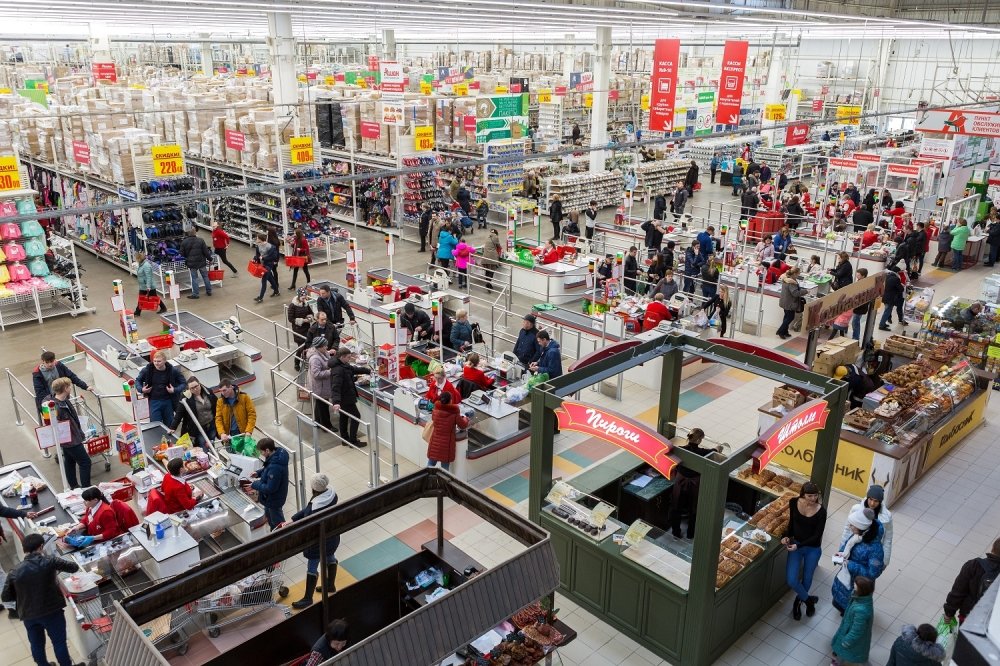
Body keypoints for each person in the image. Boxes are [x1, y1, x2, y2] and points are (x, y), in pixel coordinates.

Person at [1, 533, 82, 666]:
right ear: (41, 546)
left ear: (24, 549)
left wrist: (21, 603)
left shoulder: (14, 572)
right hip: (52, 612)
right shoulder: (49, 561)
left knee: (37, 645)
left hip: (29, 615)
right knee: (59, 643)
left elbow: (5, 596)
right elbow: (74, 567)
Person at [285, 474, 341, 609]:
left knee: (312, 567)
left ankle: (307, 598)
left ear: (314, 489)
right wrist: (293, 519)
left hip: (318, 543)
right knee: (330, 557)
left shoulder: (315, 507)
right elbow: (307, 509)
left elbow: (307, 515)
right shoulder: (331, 495)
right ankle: (330, 585)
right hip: (332, 537)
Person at [782, 481, 827, 620]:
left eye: (815, 496)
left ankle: (798, 602)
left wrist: (798, 546)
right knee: (791, 580)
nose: (813, 499)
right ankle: (808, 601)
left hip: (812, 548)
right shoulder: (793, 502)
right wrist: (785, 536)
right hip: (796, 544)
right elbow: (792, 523)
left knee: (807, 579)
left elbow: (817, 536)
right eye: (809, 496)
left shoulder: (821, 512)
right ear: (803, 495)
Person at [669, 428, 722, 539]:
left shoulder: (680, 450)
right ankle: (690, 534)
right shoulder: (702, 453)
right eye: (701, 439)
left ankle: (675, 532)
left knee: (676, 506)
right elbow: (714, 452)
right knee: (694, 509)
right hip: (695, 484)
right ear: (698, 440)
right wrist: (718, 448)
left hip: (680, 481)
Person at [831, 507, 885, 613]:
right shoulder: (858, 535)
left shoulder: (875, 549)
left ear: (860, 527)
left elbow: (873, 573)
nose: (850, 527)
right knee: (837, 603)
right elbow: (847, 545)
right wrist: (841, 553)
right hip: (845, 579)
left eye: (852, 525)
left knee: (848, 610)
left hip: (857, 586)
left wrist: (850, 565)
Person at [44, 378, 90, 489]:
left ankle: (74, 486)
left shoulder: (63, 400)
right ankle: (86, 487)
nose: (70, 388)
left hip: (68, 439)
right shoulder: (57, 407)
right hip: (71, 440)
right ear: (65, 388)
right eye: (69, 386)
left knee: (69, 461)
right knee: (85, 462)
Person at [943, 537, 1000, 624]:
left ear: (993, 548)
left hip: (969, 616)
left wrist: (949, 613)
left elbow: (958, 591)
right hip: (992, 623)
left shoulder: (974, 565)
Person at [839, 485, 893, 569]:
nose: (872, 503)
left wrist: (885, 561)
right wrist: (842, 549)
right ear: (867, 498)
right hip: (853, 549)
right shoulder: (856, 509)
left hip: (871, 554)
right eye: (870, 499)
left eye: (876, 501)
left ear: (880, 502)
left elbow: (888, 539)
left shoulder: (886, 517)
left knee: (865, 579)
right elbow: (847, 529)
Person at [831, 576, 875, 666]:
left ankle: (837, 662)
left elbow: (856, 631)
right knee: (844, 651)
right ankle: (837, 662)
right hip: (848, 631)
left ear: (861, 590)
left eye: (856, 585)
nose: (853, 585)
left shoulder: (861, 610)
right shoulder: (862, 598)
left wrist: (847, 641)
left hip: (852, 638)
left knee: (858, 656)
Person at [330, 347, 369, 448]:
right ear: (342, 357)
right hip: (345, 398)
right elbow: (336, 387)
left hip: (345, 396)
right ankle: (353, 441)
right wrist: (336, 402)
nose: (349, 359)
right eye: (348, 357)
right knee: (356, 416)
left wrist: (367, 371)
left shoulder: (343, 364)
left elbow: (354, 369)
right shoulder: (338, 370)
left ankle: (345, 439)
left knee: (344, 417)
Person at [33, 350, 91, 417]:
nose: (50, 364)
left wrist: (85, 386)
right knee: (52, 422)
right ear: (43, 362)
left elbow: (71, 376)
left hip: (63, 399)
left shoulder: (59, 366)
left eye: (51, 361)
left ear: (54, 360)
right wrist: (50, 404)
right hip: (48, 403)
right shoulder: (37, 374)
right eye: (47, 362)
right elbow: (39, 392)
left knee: (70, 418)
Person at [136, 351, 186, 426]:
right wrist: (141, 389)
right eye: (154, 361)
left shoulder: (172, 371)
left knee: (170, 424)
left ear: (165, 361)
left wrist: (174, 390)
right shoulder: (147, 370)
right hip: (153, 401)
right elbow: (137, 380)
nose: (156, 363)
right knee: (155, 424)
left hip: (168, 401)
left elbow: (184, 383)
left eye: (159, 361)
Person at [249, 437, 289, 529]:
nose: (261, 454)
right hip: (270, 499)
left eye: (261, 451)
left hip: (274, 499)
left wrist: (255, 484)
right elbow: (267, 468)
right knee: (270, 518)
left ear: (267, 450)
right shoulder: (275, 457)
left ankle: (281, 537)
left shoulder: (276, 467)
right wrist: (258, 473)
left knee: (278, 524)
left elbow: (270, 488)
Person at [170, 376, 218, 449]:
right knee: (203, 447)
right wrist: (173, 427)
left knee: (211, 445)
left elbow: (216, 406)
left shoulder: (208, 392)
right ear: (189, 389)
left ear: (200, 384)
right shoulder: (185, 397)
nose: (195, 389)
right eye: (192, 388)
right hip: (199, 428)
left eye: (196, 386)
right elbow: (179, 413)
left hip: (211, 425)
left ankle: (213, 459)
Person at [426, 392, 468, 471]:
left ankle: (427, 481)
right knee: (444, 468)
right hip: (446, 444)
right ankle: (443, 483)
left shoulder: (435, 410)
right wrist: (466, 419)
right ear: (450, 401)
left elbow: (433, 419)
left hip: (435, 441)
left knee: (431, 464)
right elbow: (462, 425)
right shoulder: (454, 412)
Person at [306, 337, 335, 432]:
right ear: (319, 347)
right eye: (325, 345)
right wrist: (330, 372)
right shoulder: (315, 359)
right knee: (323, 406)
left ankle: (317, 422)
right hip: (320, 386)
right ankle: (326, 426)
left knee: (319, 405)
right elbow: (316, 374)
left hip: (320, 386)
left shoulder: (323, 353)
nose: (327, 347)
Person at [179, 227, 213, 299]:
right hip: (201, 261)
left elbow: (181, 254)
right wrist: (210, 259)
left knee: (194, 278)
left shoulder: (184, 242)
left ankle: (196, 294)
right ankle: (209, 291)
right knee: (205, 276)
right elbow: (206, 252)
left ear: (188, 233)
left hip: (191, 263)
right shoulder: (201, 240)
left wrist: (187, 257)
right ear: (195, 233)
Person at [288, 288, 314, 371]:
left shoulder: (305, 304)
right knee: (301, 347)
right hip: (298, 329)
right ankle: (297, 362)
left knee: (307, 345)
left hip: (306, 328)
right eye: (303, 298)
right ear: (299, 296)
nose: (304, 299)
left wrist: (309, 317)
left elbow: (311, 313)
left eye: (305, 298)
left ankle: (305, 361)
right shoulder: (292, 306)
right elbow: (290, 319)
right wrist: (303, 320)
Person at [133, 251, 167, 316]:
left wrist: (148, 286)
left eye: (136, 258)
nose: (136, 260)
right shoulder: (141, 264)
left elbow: (149, 277)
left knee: (153, 298)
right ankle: (137, 312)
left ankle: (163, 308)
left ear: (139, 258)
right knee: (142, 298)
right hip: (143, 286)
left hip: (148, 286)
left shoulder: (146, 266)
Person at [777, 267, 807, 340]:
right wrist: (805, 291)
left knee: (786, 317)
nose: (798, 275)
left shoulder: (787, 278)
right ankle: (780, 331)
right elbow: (795, 293)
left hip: (786, 301)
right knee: (790, 317)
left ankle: (785, 331)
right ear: (794, 274)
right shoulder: (791, 282)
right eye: (798, 274)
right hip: (790, 303)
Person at [252, 233, 280, 303]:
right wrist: (255, 259)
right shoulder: (258, 246)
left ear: (260, 239)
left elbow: (274, 257)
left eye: (257, 238)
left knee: (263, 281)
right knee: (270, 279)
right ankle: (277, 291)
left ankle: (260, 298)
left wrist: (264, 258)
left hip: (268, 265)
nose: (256, 239)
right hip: (262, 265)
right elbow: (257, 256)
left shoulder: (270, 247)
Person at [851, 268, 871, 341]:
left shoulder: (864, 284)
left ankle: (855, 338)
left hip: (860, 306)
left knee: (855, 322)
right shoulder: (860, 282)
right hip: (858, 306)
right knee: (855, 322)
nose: (856, 275)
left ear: (863, 276)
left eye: (858, 274)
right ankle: (855, 337)